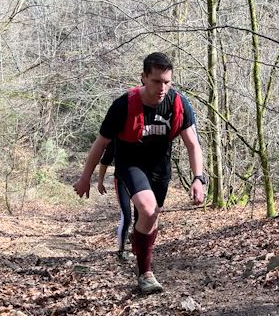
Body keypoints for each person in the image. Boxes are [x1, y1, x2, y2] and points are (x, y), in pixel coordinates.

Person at [73, 52, 206, 294]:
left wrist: (198, 178)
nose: (162, 87)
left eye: (167, 81)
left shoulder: (178, 104)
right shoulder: (124, 105)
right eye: (156, 81)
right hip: (131, 164)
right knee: (148, 210)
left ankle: (139, 241)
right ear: (144, 77)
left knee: (151, 218)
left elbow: (193, 144)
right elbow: (100, 144)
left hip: (160, 170)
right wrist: (86, 178)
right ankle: (145, 273)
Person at [96, 140, 134, 262]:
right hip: (121, 181)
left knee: (141, 216)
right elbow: (105, 161)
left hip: (141, 182)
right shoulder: (116, 140)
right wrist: (100, 182)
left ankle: (138, 249)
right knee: (127, 216)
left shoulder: (144, 135)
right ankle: (121, 250)